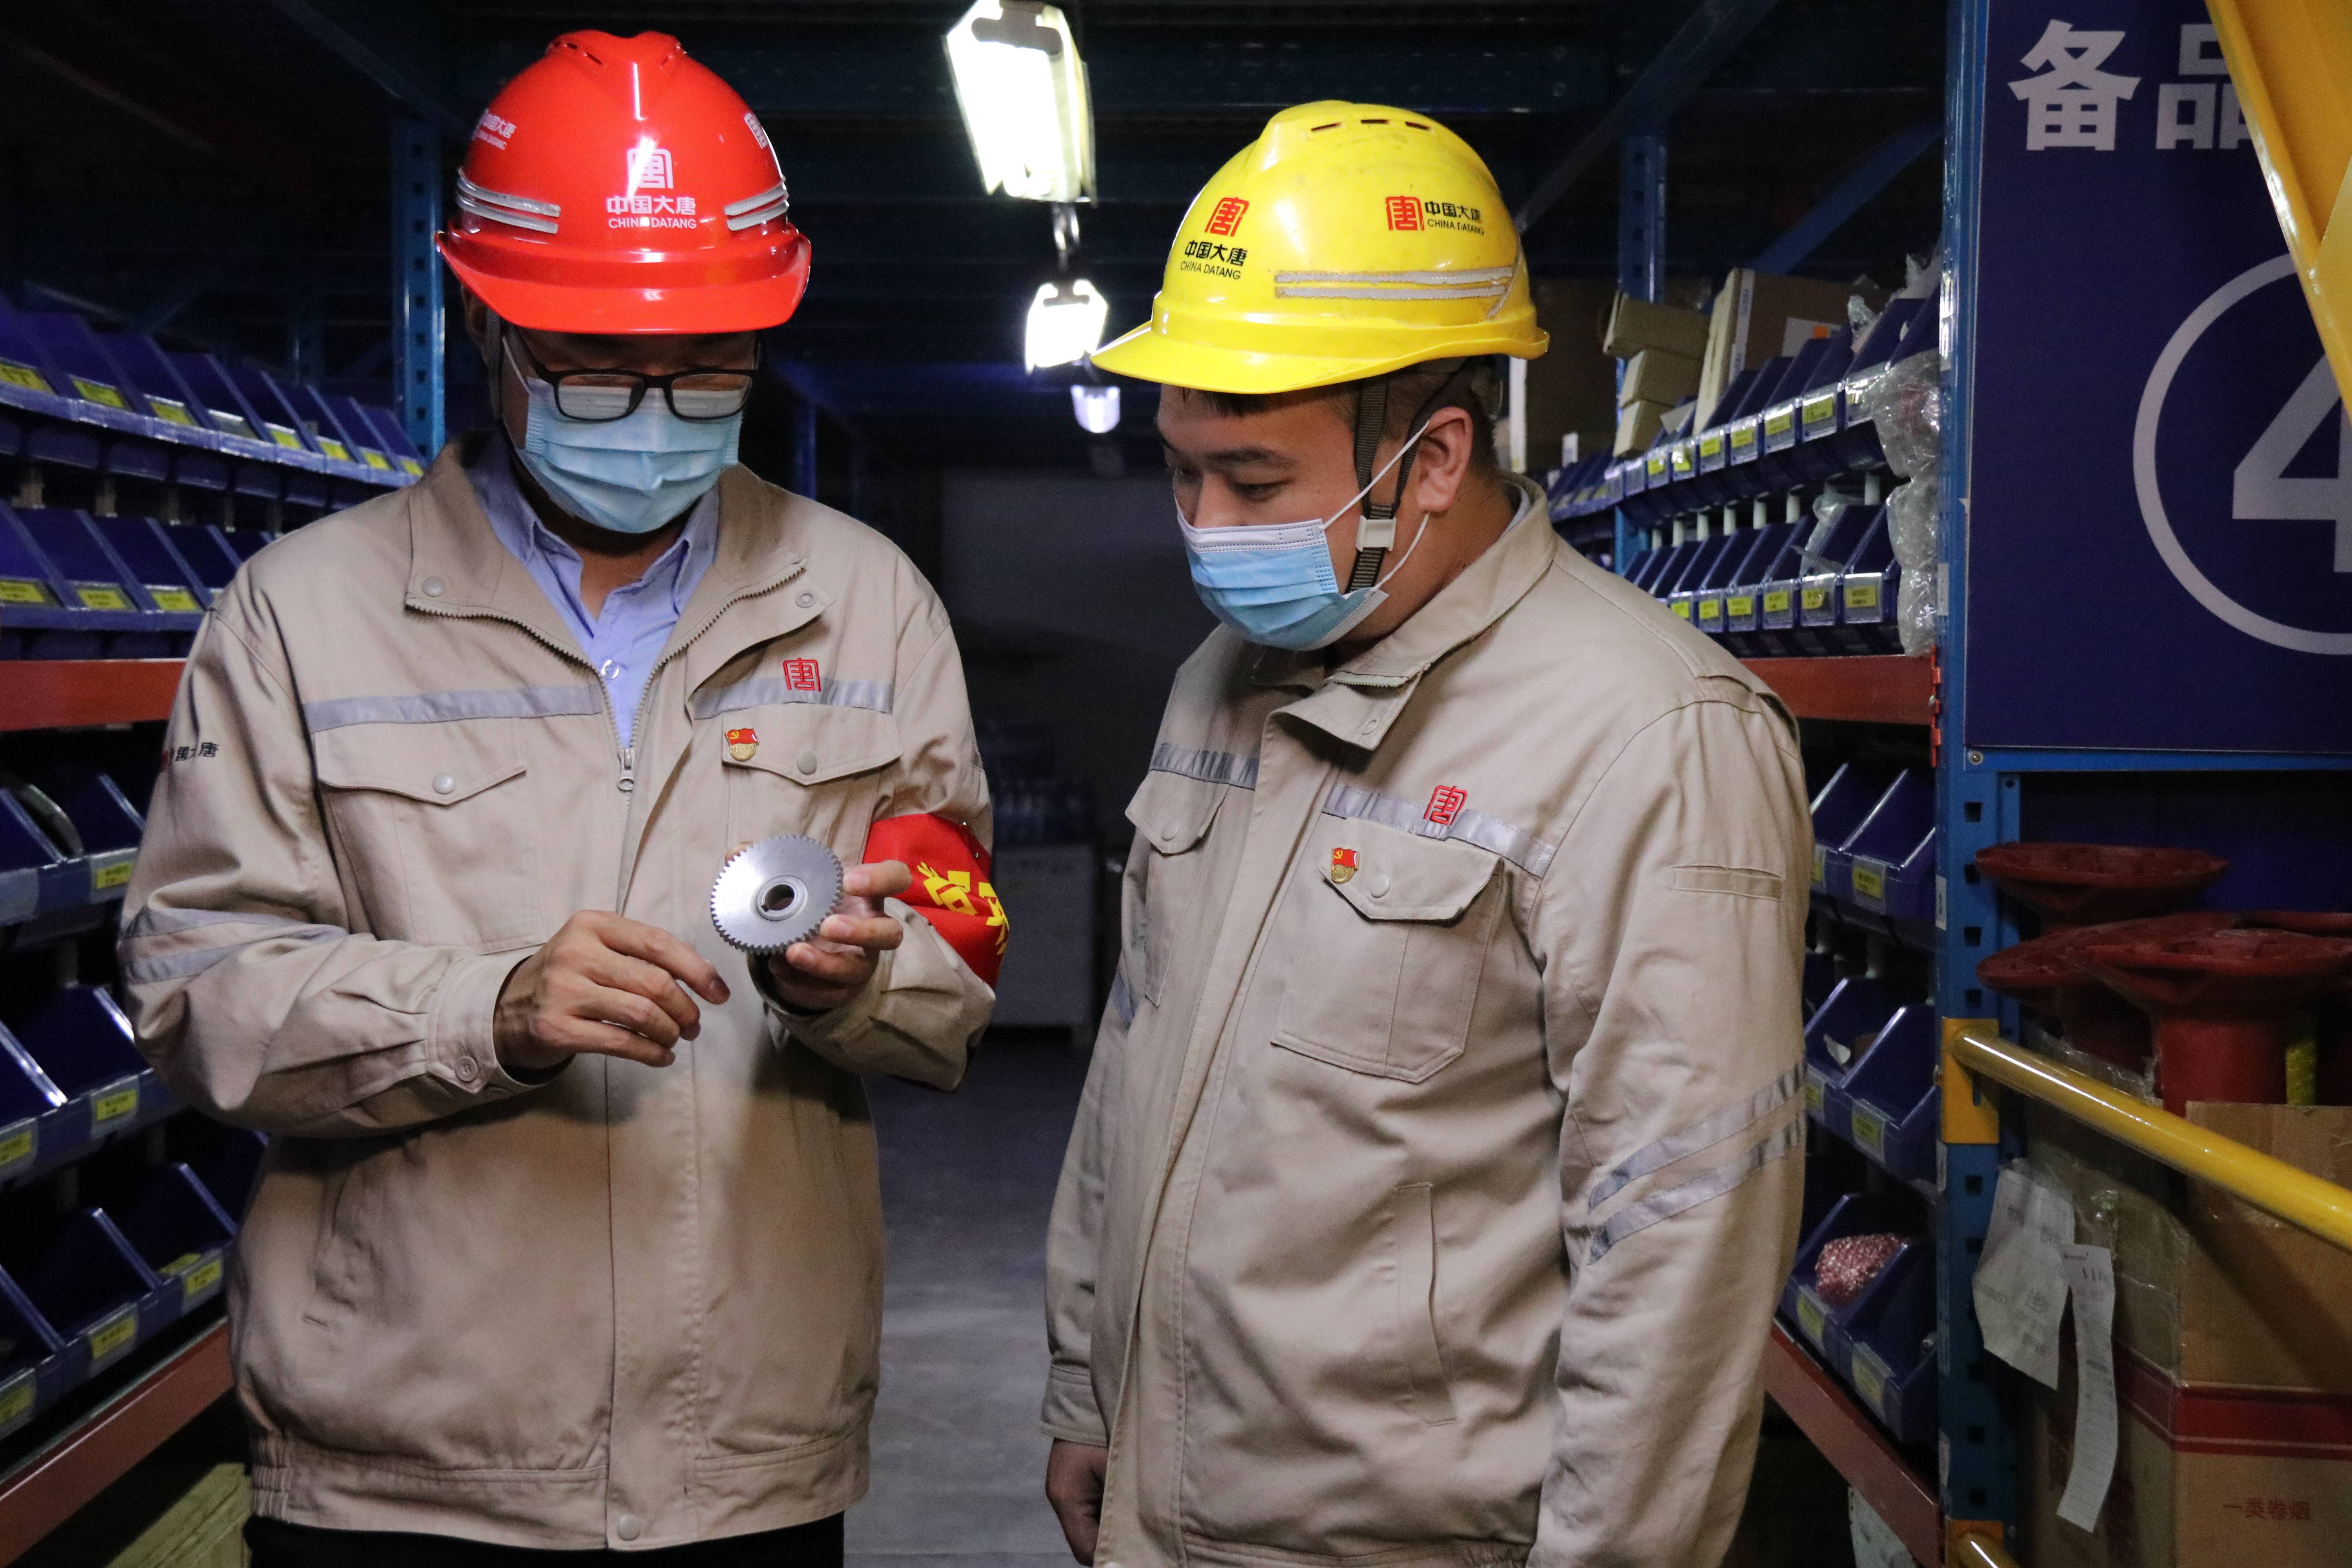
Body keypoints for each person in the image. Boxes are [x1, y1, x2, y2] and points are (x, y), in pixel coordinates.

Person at [120, 32, 1004, 1565]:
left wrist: (856, 981)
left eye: (709, 364)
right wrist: (488, 1011)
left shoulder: (869, 604)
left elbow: (961, 958)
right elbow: (200, 987)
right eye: (596, 365)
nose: (656, 410)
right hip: (406, 1462)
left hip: (743, 1456)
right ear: (486, 322)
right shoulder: (301, 614)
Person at [1040, 103, 1811, 1568]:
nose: (1204, 526)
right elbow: (1134, 1061)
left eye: (1253, 481)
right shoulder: (1220, 679)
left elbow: (1683, 1233)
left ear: (1436, 456)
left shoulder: (1647, 734)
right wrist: (1092, 1384)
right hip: (1171, 1506)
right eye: (1181, 471)